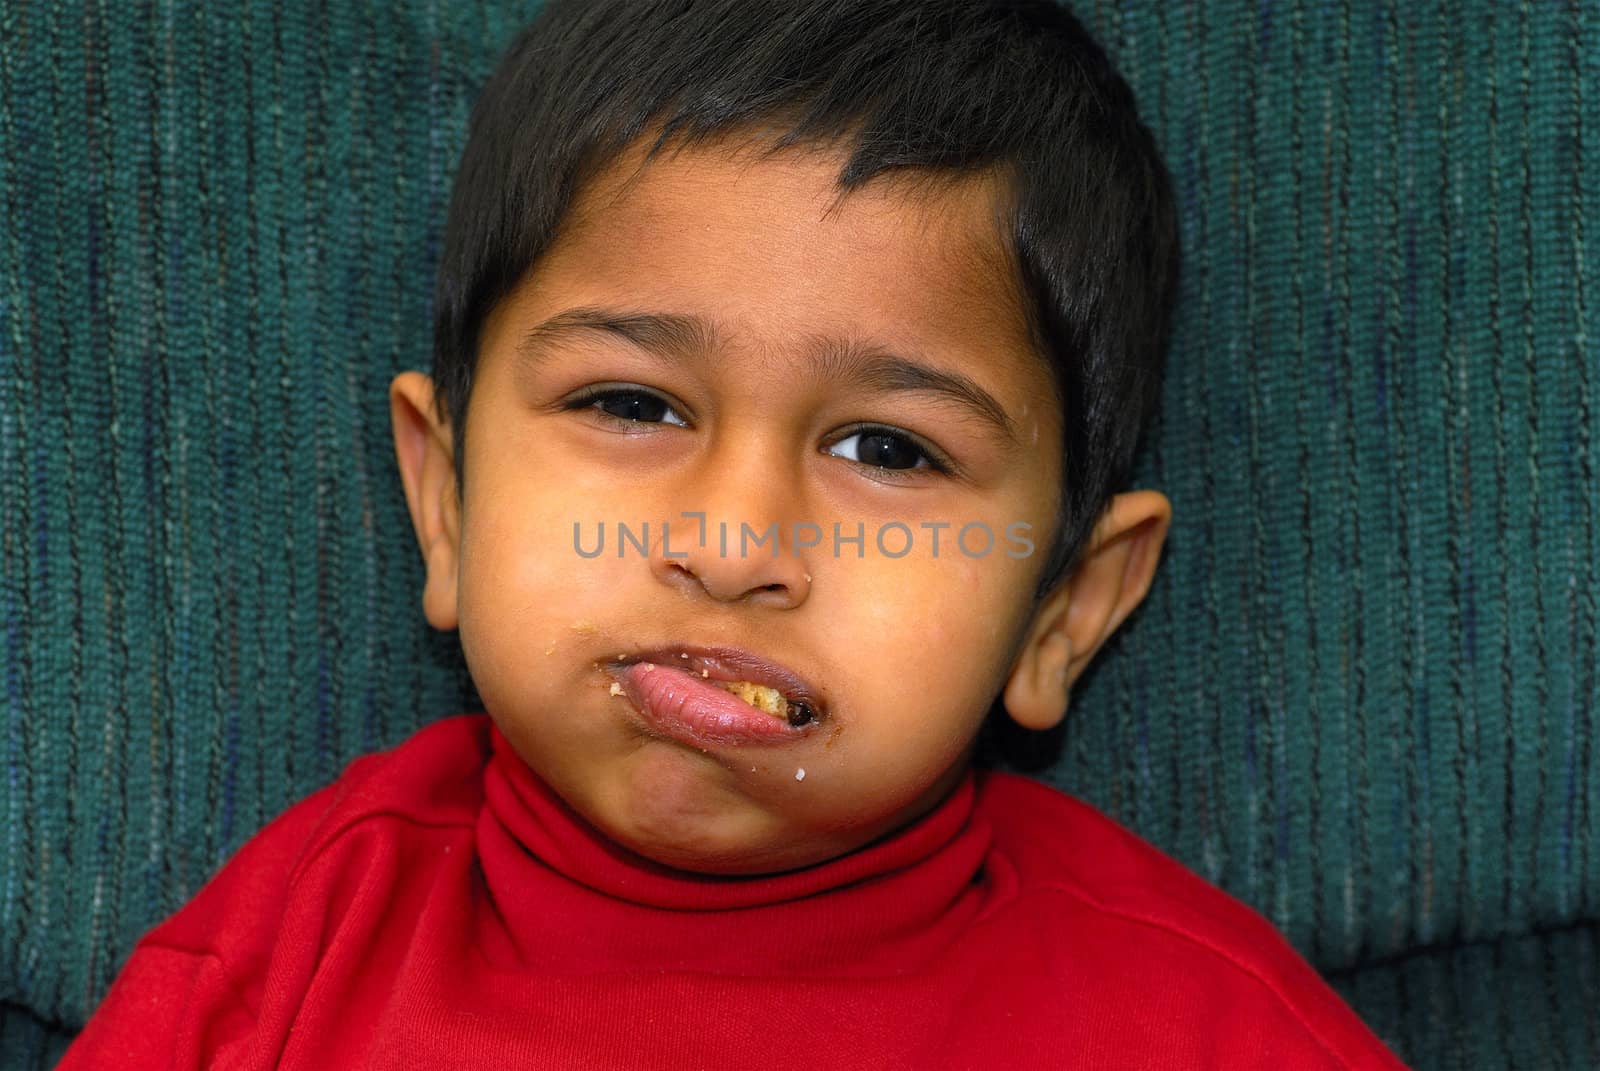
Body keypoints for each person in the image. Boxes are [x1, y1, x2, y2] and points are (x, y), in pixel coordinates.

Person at [60, 1, 1409, 1066]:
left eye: (888, 448)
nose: (730, 540)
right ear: (450, 505)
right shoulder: (285, 960)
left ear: (1065, 610)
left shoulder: (1201, 1028)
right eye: (632, 404)